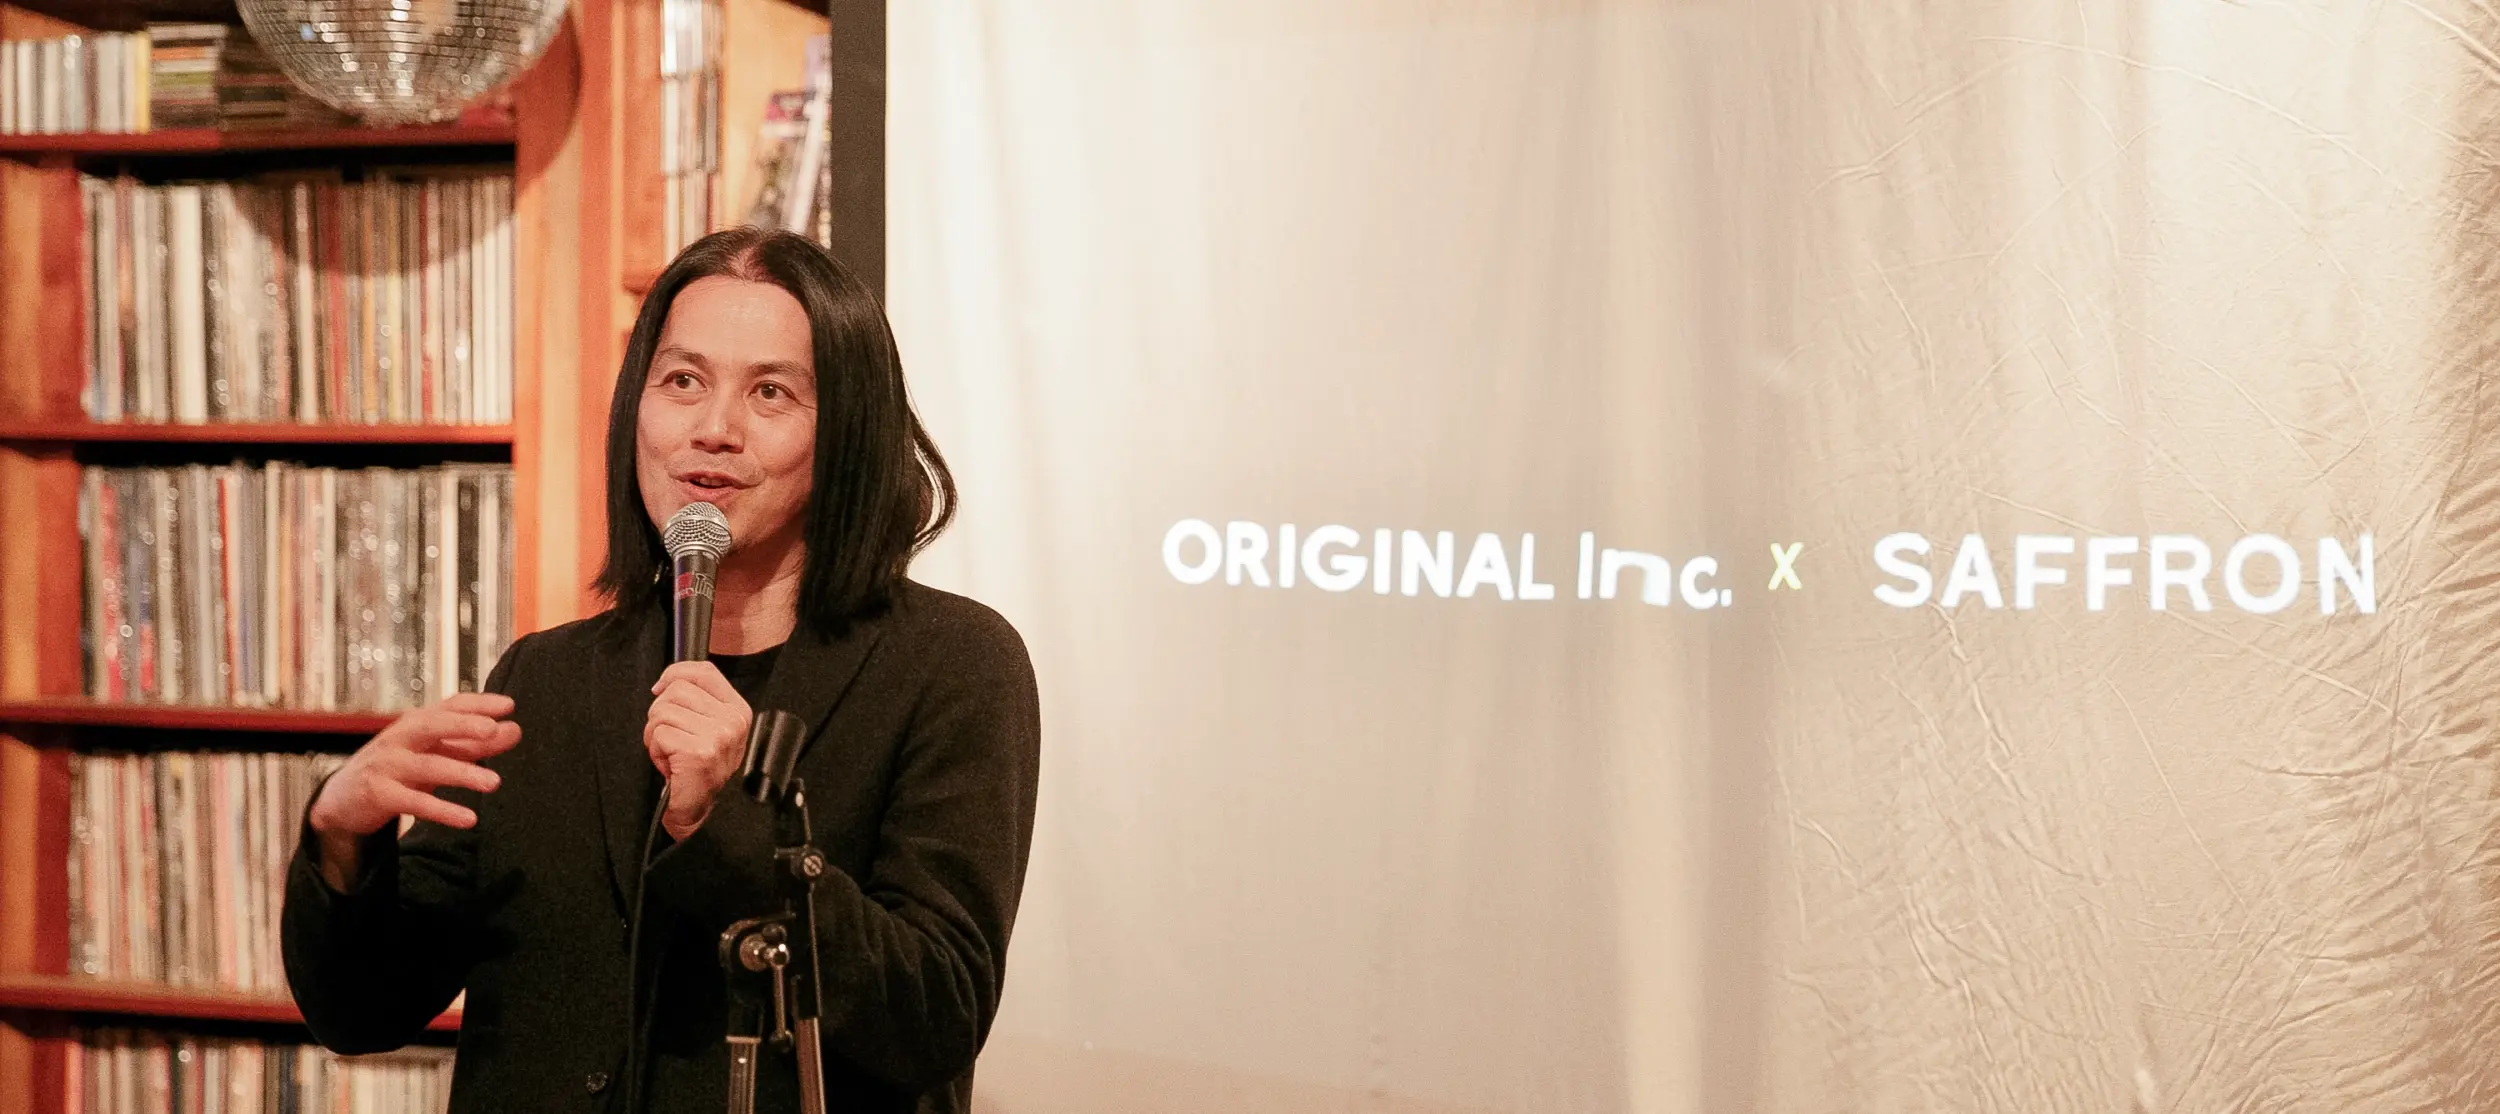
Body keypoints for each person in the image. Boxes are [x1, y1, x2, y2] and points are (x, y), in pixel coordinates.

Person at [281, 227, 1041, 1114]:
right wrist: (343, 837)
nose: (713, 430)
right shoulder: (547, 679)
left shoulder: (951, 665)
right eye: (683, 381)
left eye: (770, 392)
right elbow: (364, 1009)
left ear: (846, 432)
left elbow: (935, 1015)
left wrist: (732, 825)